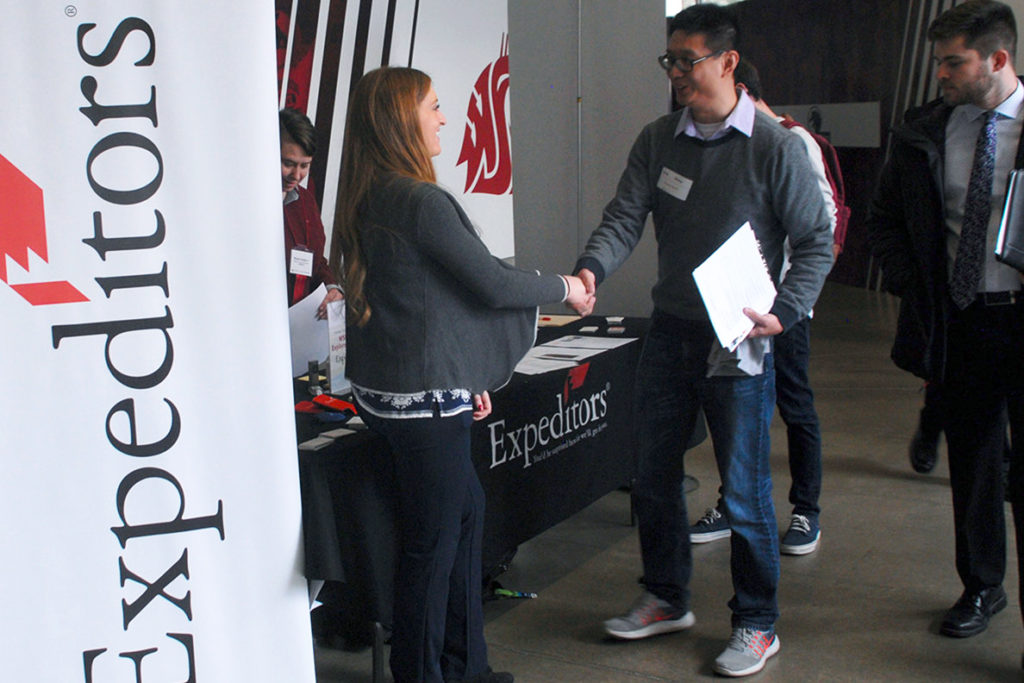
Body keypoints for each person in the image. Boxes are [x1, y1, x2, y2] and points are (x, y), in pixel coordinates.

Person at [570, 5, 832, 677]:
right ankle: (665, 594)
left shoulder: (773, 145)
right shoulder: (659, 139)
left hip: (738, 342)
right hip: (671, 334)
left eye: (688, 61)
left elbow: (814, 242)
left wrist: (787, 310)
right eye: (671, 62)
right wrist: (592, 267)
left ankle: (756, 622)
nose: (678, 74)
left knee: (742, 489)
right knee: (653, 475)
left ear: (727, 61)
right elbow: (625, 215)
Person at [330, 66, 592, 683]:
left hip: (390, 393)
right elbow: (490, 282)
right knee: (431, 545)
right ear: (402, 121)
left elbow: (422, 302)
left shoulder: (367, 194)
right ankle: (422, 673)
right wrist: (566, 287)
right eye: (435, 107)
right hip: (422, 403)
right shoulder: (421, 200)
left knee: (465, 512)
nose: (444, 118)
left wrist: (465, 370)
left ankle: (465, 665)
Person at [866, 0, 1024, 652]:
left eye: (952, 61)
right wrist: (920, 287)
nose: (940, 74)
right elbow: (885, 223)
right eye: (935, 60)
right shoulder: (924, 133)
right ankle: (982, 583)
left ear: (998, 59)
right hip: (963, 325)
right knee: (976, 465)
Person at [688, 57, 839, 556]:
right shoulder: (723, 144)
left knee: (795, 405)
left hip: (783, 309)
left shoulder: (790, 142)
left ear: (741, 87)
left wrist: (791, 299)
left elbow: (824, 221)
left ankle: (805, 512)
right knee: (735, 411)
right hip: (734, 307)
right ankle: (732, 504)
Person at [280, 107, 343, 318]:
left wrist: (331, 288)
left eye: (304, 166)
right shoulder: (247, 202)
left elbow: (316, 261)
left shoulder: (306, 201)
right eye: (288, 164)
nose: (296, 175)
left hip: (298, 326)